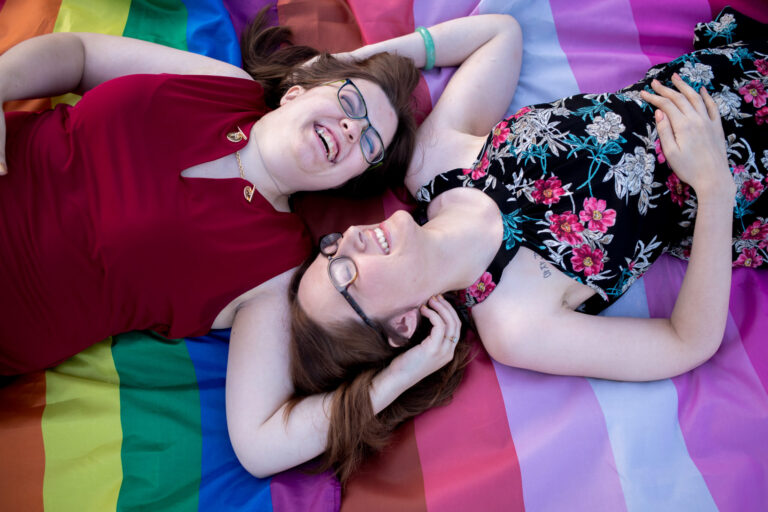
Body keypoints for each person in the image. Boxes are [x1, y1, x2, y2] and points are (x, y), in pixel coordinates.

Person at [227, 8, 767, 483]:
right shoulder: (516, 326)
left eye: (329, 250)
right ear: (402, 325)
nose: (347, 240)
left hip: (725, 74)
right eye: (345, 275)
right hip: (750, 180)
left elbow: (499, 34)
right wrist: (714, 187)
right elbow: (685, 342)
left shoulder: (433, 164)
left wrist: (340, 68)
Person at [0, 9, 420, 375]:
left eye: (370, 144)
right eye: (350, 102)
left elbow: (260, 434)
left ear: (346, 180)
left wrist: (408, 370)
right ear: (296, 92)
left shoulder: (276, 267)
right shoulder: (225, 84)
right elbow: (79, 54)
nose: (352, 127)